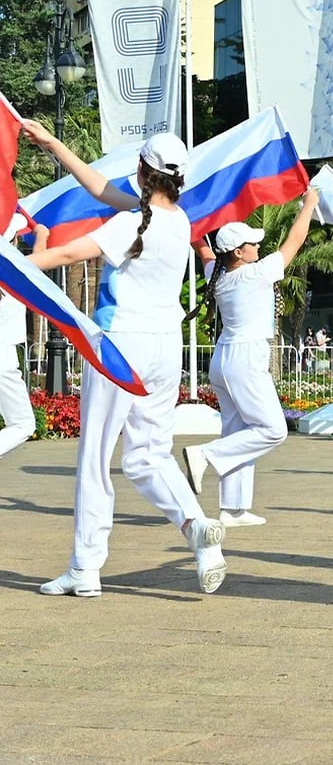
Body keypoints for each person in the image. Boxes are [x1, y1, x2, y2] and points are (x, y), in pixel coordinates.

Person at [20, 121, 226, 597]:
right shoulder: (179, 222)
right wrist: (53, 144)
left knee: (95, 455)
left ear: (141, 170)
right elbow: (99, 187)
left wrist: (13, 266)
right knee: (147, 455)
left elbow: (70, 251)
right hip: (163, 346)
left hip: (119, 344)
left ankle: (85, 568)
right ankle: (196, 527)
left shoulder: (132, 222)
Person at [182, 190, 318, 526]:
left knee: (237, 432)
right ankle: (205, 455)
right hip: (245, 359)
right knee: (273, 430)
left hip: (224, 359)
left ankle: (233, 509)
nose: (258, 247)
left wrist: (192, 210)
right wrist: (309, 206)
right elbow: (294, 242)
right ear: (239, 253)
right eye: (252, 245)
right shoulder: (254, 273)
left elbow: (201, 246)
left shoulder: (221, 273)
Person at [0, 217, 47, 461]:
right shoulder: (12, 272)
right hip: (3, 357)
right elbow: (37, 265)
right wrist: (41, 236)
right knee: (22, 424)